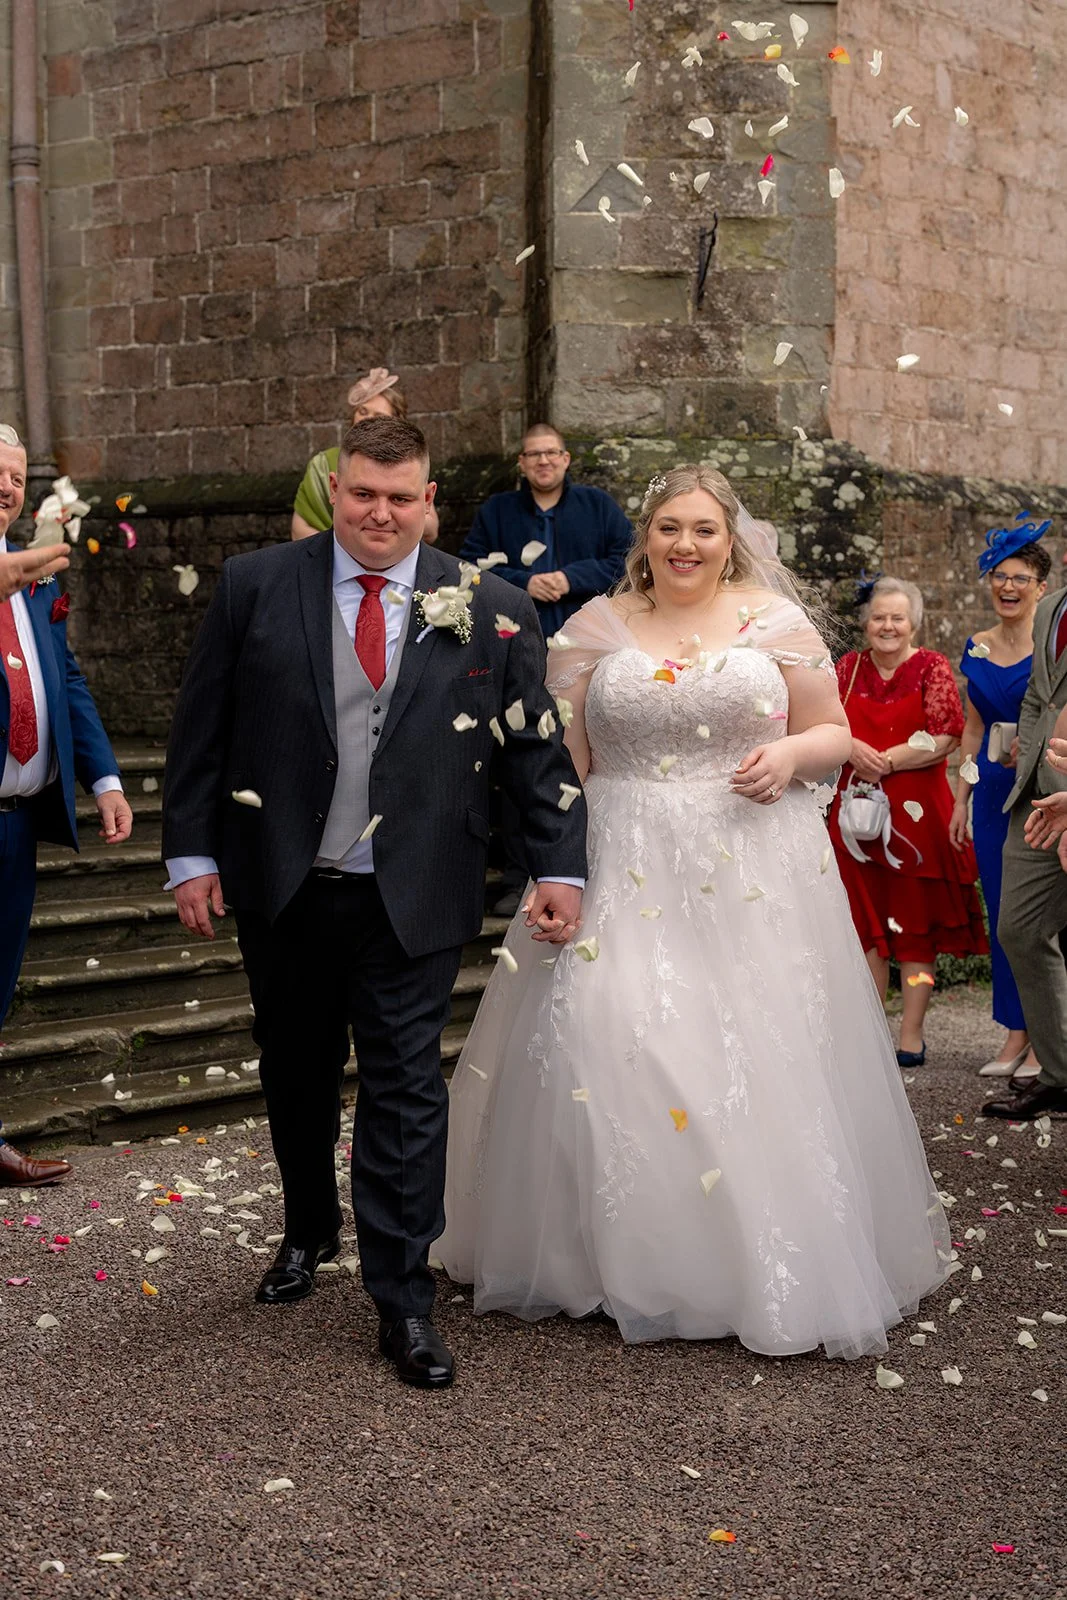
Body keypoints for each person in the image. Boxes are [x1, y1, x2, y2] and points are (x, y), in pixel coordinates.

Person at [437, 465, 951, 1358]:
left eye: (703, 529)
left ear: (729, 539)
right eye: (669, 527)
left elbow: (834, 733)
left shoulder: (775, 622)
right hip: (624, 857)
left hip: (751, 865)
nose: (684, 544)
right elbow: (570, 766)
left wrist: (790, 757)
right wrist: (546, 873)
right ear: (644, 537)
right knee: (609, 1034)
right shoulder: (597, 628)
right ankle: (606, 1257)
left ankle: (742, 1263)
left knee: (752, 1051)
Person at [162, 416, 587, 1389]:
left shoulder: (492, 605)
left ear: (428, 499)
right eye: (363, 493)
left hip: (419, 888)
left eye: (401, 497)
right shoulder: (255, 586)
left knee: (404, 1089)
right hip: (286, 887)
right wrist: (190, 851)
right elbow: (204, 731)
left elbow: (535, 754)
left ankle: (402, 1297)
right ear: (335, 490)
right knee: (297, 1073)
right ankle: (308, 1227)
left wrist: (559, 866)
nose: (381, 513)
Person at [0, 426, 133, 1187]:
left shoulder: (38, 577)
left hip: (17, 828)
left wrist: (106, 779)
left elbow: (65, 678)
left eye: (18, 477)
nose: (9, 487)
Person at [460, 423, 632, 914]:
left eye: (551, 453)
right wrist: (526, 582)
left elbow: (627, 559)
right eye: (533, 455)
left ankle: (587, 865)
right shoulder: (497, 512)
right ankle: (520, 876)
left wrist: (569, 577)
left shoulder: (597, 506)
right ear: (521, 463)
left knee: (585, 757)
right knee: (521, 755)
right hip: (520, 656)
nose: (543, 462)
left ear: (566, 458)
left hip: (589, 654)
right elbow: (470, 567)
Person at [827, 577, 986, 1068]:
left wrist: (887, 759)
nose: (888, 626)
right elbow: (822, 722)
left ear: (913, 621)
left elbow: (946, 735)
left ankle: (911, 1034)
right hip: (852, 821)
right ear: (865, 622)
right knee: (862, 925)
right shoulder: (847, 669)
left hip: (916, 819)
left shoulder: (932, 667)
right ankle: (870, 1033)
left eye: (898, 617)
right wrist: (850, 747)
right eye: (879, 617)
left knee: (916, 929)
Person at [949, 521, 1050, 1078]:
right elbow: (971, 728)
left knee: (1038, 917)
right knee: (1005, 913)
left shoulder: (1054, 647)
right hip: (989, 787)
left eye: (1020, 578)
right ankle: (1015, 1031)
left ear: (1040, 586)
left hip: (1039, 787)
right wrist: (962, 795)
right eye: (999, 577)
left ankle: (1046, 1036)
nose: (1007, 587)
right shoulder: (977, 644)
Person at [985, 530, 1067, 1122]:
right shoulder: (1055, 609)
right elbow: (1039, 696)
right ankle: (1060, 1074)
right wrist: (1033, 758)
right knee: (1018, 928)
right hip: (1034, 801)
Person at [290, 368, 438, 545]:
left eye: (378, 416)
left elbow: (431, 530)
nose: (366, 420)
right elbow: (299, 528)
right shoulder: (322, 464)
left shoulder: (409, 467)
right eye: (363, 411)